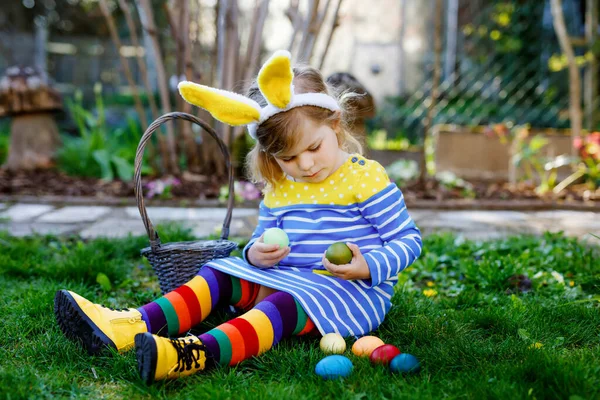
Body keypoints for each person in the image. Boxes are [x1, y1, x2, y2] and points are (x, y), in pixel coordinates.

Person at [53, 50, 422, 385]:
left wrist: (366, 266)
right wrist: (255, 255)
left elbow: (408, 239)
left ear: (336, 123)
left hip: (348, 293)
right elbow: (259, 241)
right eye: (288, 158)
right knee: (218, 272)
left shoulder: (365, 177)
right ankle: (126, 325)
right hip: (286, 278)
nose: (305, 165)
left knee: (280, 307)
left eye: (313, 147)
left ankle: (192, 354)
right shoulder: (280, 186)